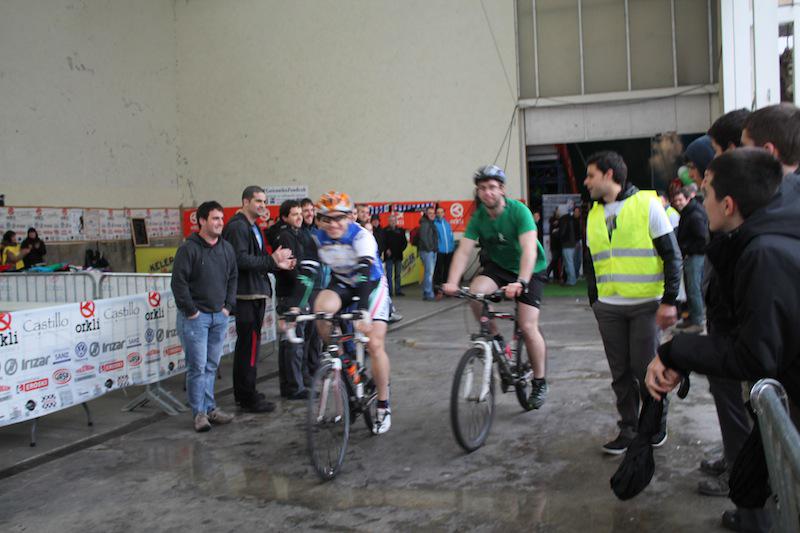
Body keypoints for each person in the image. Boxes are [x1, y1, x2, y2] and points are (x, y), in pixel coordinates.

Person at [646, 148, 793, 533]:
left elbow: (754, 354)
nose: (699, 200)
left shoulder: (763, 254)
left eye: (706, 193)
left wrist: (675, 351)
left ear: (728, 205)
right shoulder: (761, 239)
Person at [582, 151, 682, 455]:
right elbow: (590, 261)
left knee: (645, 368)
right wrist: (595, 300)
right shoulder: (593, 214)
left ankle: (654, 424)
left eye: (591, 175)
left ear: (609, 175)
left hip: (645, 305)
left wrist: (669, 300)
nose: (586, 182)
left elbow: (672, 255)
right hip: (608, 307)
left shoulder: (647, 204)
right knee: (620, 373)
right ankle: (628, 428)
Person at [443, 164, 550, 409]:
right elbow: (463, 251)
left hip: (530, 269)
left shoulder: (519, 212)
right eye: (482, 188)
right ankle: (497, 339)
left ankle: (540, 381)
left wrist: (521, 281)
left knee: (527, 325)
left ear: (502, 189)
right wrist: (452, 282)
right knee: (475, 294)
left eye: (492, 187)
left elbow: (529, 250)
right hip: (499, 267)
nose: (487, 192)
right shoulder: (479, 217)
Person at [310, 191, 394, 434]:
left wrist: (364, 310)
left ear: (349, 217)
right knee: (321, 311)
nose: (333, 224)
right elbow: (306, 273)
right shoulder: (316, 237)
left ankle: (383, 404)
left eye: (339, 218)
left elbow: (365, 274)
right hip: (343, 284)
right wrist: (293, 307)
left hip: (371, 286)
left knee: (374, 344)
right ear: (319, 220)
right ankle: (344, 362)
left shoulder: (361, 236)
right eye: (327, 219)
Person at [222, 186, 294, 413]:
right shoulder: (238, 227)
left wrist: (277, 263)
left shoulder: (252, 227)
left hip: (254, 292)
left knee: (249, 346)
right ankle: (247, 396)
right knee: (249, 346)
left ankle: (245, 392)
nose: (263, 205)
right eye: (258, 201)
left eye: (264, 201)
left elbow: (260, 259)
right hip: (246, 295)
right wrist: (272, 260)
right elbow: (240, 260)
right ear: (245, 202)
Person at [171, 201, 238, 432]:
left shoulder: (226, 249)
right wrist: (191, 311)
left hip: (219, 316)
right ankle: (198, 414)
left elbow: (233, 277)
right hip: (196, 319)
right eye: (215, 218)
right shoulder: (188, 249)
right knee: (197, 367)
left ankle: (210, 409)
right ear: (201, 221)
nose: (220, 223)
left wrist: (228, 307)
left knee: (211, 366)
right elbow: (178, 283)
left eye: (221, 218)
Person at [274, 199, 319, 400]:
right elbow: (292, 267)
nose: (300, 217)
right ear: (285, 217)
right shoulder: (285, 236)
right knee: (293, 342)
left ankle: (294, 384)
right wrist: (303, 286)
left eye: (300, 213)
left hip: (298, 293)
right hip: (291, 296)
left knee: (293, 341)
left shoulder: (299, 234)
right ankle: (294, 387)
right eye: (295, 214)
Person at [672, 184, 709, 334]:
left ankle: (698, 321)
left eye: (680, 200)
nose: (678, 203)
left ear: (688, 199)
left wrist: (687, 249)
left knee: (694, 289)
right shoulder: (689, 212)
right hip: (691, 255)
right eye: (676, 200)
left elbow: (702, 238)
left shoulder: (694, 215)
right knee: (690, 288)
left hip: (695, 256)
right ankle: (693, 319)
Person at [433, 206, 455, 297]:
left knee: (447, 270)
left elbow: (451, 236)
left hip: (449, 251)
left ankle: (446, 290)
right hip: (439, 251)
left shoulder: (447, 223)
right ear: (436, 214)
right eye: (438, 212)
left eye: (441, 212)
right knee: (438, 271)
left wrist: (452, 247)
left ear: (444, 213)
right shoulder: (434, 224)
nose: (440, 214)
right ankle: (437, 290)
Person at [417, 206, 438, 301]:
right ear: (426, 214)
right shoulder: (425, 223)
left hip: (431, 251)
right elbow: (424, 238)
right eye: (430, 213)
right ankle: (428, 293)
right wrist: (430, 249)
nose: (432, 215)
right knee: (429, 273)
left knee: (429, 273)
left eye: (433, 213)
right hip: (427, 251)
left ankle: (427, 292)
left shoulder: (430, 223)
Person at [384, 212, 407, 297]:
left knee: (398, 274)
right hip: (388, 256)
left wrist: (400, 250)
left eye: (394, 220)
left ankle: (398, 290)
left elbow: (405, 243)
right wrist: (386, 249)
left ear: (396, 221)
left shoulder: (401, 231)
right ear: (388, 221)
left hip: (398, 255)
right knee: (389, 275)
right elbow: (383, 242)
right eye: (391, 220)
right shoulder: (385, 231)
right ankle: (389, 291)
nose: (392, 222)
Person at [559, 206, 581, 286]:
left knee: (570, 263)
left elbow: (563, 232)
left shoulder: (566, 220)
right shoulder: (574, 220)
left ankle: (572, 280)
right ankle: (572, 279)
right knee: (572, 262)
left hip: (569, 244)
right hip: (574, 243)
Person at [545, 208, 563, 282]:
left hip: (560, 245)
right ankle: (546, 275)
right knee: (554, 261)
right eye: (558, 211)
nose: (559, 212)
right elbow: (553, 232)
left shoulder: (561, 220)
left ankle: (556, 277)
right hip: (554, 245)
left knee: (557, 262)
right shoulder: (552, 220)